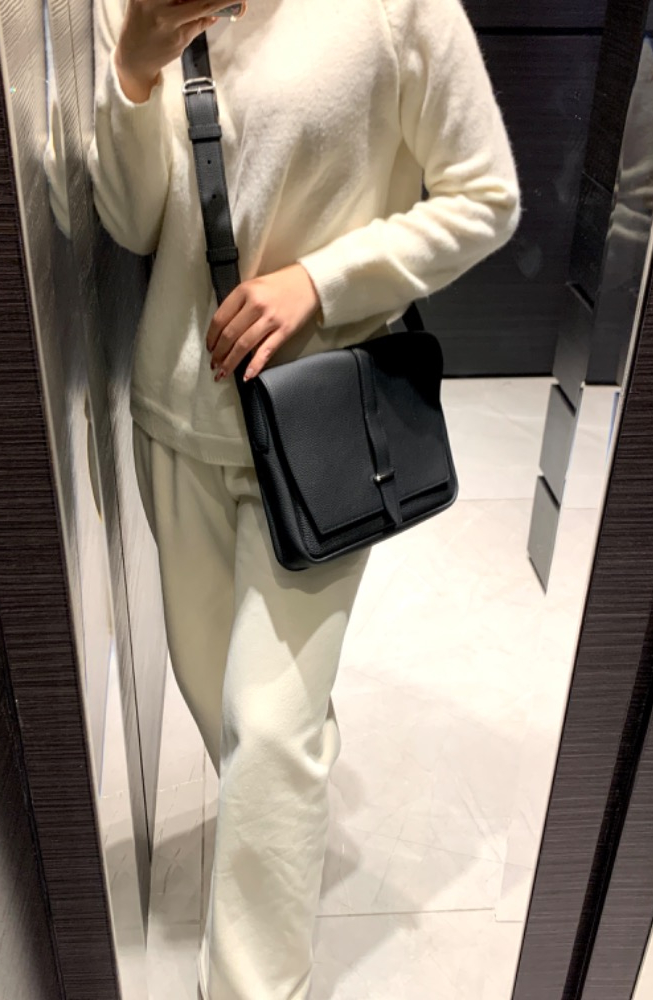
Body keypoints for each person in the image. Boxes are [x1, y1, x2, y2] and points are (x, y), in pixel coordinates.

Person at [88, 1, 520, 996]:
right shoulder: (135, 5)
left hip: (321, 423)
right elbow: (133, 221)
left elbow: (485, 197)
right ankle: (290, 793)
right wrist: (135, 69)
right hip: (178, 415)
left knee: (271, 731)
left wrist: (322, 281)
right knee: (229, 711)